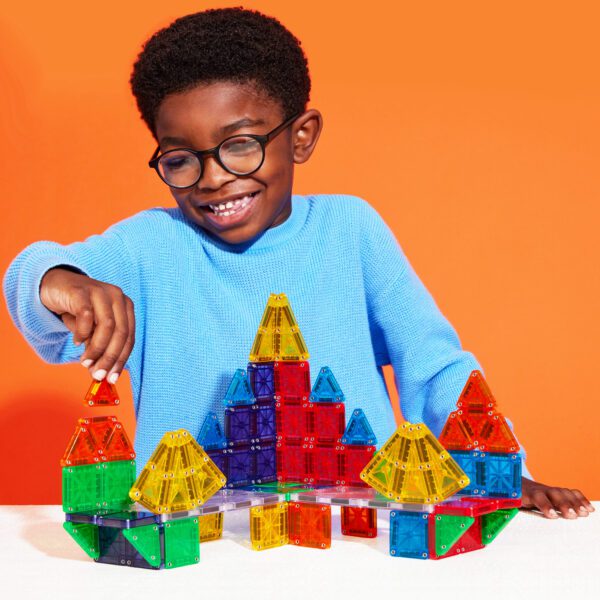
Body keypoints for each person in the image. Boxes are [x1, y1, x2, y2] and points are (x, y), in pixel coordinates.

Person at [3, 7, 592, 519]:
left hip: (359, 533)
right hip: (202, 542)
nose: (213, 179)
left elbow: (434, 367)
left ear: (301, 136)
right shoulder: (148, 245)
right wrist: (64, 283)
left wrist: (500, 471)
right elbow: (31, 277)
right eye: (180, 158)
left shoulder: (350, 228)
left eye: (240, 144)